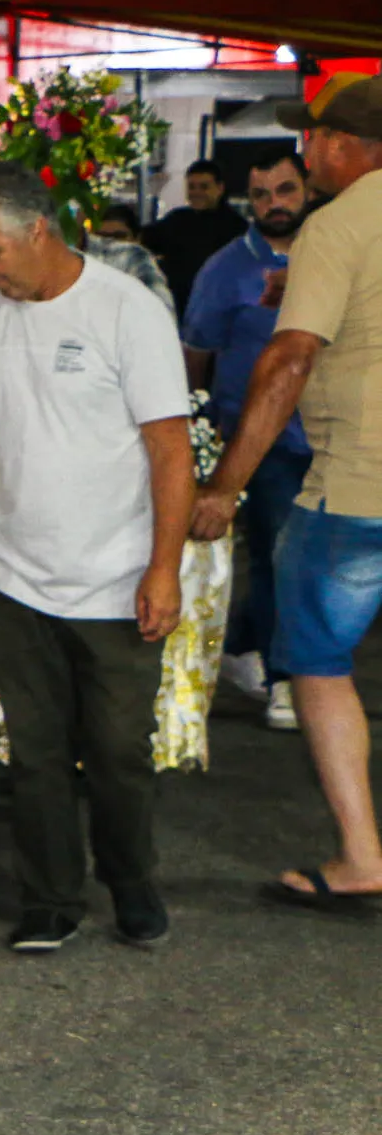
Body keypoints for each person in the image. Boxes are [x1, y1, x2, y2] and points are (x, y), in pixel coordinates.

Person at [0, 161, 194, 953]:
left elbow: (170, 450)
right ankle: (49, 899)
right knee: (37, 753)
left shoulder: (126, 312)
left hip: (116, 576)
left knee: (118, 753)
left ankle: (130, 881)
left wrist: (162, 568)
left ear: (38, 231)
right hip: (16, 572)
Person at [191, 74, 382, 910]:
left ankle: (360, 856)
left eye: (314, 140)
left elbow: (287, 360)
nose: (306, 153)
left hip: (355, 486)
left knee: (313, 661)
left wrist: (225, 484)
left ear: (343, 147)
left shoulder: (336, 225)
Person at [180, 148, 316, 730]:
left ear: (306, 189)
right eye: (261, 195)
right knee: (280, 555)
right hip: (260, 439)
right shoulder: (225, 269)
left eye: (285, 191)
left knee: (312, 559)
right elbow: (197, 353)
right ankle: (286, 679)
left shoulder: (335, 255)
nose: (274, 205)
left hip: (334, 435)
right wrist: (195, 427)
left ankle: (242, 646)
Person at [141, 157, 246, 316]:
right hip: (177, 309)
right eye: (191, 187)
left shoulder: (237, 228)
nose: (196, 193)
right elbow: (144, 240)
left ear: (220, 188)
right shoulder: (176, 220)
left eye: (204, 187)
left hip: (219, 312)